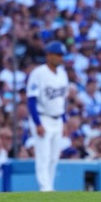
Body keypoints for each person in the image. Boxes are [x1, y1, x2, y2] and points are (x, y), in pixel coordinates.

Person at [26, 41, 70, 192]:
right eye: (58, 55)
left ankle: (50, 186)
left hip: (57, 119)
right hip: (42, 117)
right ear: (48, 55)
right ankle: (45, 188)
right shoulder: (38, 73)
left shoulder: (63, 74)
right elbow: (31, 100)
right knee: (43, 155)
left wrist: (64, 122)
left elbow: (62, 101)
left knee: (54, 157)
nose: (60, 58)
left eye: (62, 55)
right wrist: (37, 123)